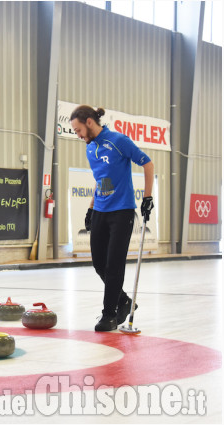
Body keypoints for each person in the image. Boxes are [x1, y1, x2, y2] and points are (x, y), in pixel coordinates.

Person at [70, 105, 154, 332]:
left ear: (89, 122)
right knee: (99, 263)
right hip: (101, 210)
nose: (77, 135)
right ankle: (124, 301)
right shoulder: (90, 149)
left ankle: (109, 315)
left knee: (114, 264)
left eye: (78, 130)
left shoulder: (118, 140)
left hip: (122, 211)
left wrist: (147, 197)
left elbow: (147, 163)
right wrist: (90, 208)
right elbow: (102, 180)